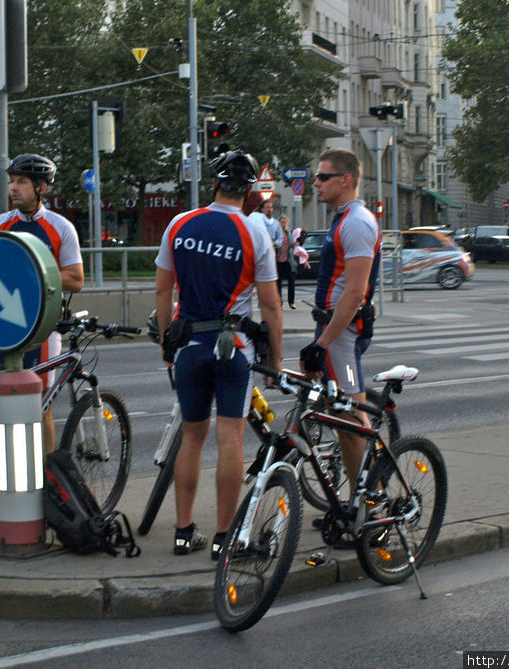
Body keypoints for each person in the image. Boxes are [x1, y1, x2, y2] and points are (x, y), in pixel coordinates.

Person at [155, 150, 283, 559]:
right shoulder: (254, 232)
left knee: (191, 438)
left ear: (213, 184)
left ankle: (182, 531)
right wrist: (275, 361)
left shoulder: (181, 224)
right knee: (230, 439)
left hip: (190, 347)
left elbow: (162, 291)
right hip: (233, 350)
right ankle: (224, 539)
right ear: (248, 192)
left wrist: (166, 343)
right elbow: (272, 306)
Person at [0, 153, 84, 453]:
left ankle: (43, 478)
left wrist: (32, 269)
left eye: (22, 182)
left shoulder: (60, 228)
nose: (13, 188)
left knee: (38, 405)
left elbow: (76, 279)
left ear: (41, 188)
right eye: (12, 181)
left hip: (42, 329)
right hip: (1, 328)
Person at [302, 147, 381, 504]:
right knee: (343, 419)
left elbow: (354, 293)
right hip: (333, 333)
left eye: (323, 176)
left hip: (342, 338)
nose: (315, 183)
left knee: (352, 425)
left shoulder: (357, 222)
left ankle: (372, 509)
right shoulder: (342, 217)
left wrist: (322, 344)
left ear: (345, 180)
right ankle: (356, 502)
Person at [276, 215, 296, 309]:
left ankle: (291, 302)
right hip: (278, 261)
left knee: (291, 281)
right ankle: (279, 302)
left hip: (288, 261)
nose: (283, 224)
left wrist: (296, 244)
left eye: (285, 222)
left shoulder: (289, 233)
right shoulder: (276, 233)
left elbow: (292, 245)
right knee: (278, 283)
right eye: (281, 222)